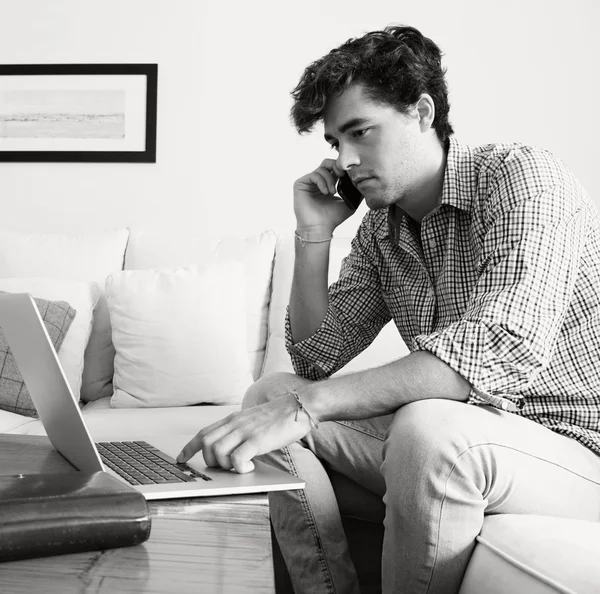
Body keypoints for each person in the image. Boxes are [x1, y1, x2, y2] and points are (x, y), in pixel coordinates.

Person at [178, 24, 600, 593]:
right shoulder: (383, 229)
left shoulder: (522, 178)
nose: (346, 159)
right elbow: (314, 355)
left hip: (571, 448)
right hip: (467, 437)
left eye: (361, 132)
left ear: (422, 112)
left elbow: (502, 343)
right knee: (269, 394)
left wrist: (307, 407)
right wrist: (315, 234)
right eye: (334, 142)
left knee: (430, 428)